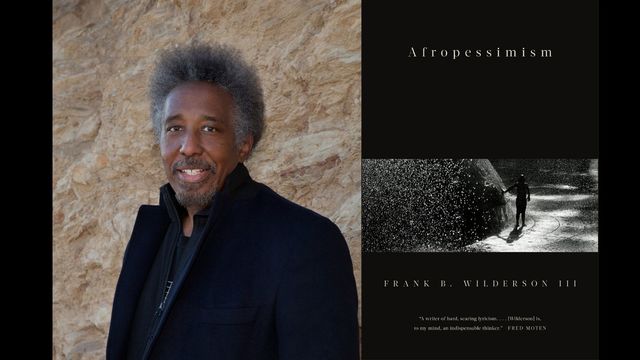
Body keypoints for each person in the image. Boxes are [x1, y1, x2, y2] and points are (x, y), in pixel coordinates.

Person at [106, 43, 359, 360]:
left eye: (209, 128)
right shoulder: (149, 235)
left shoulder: (304, 242)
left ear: (243, 144)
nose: (188, 147)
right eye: (175, 128)